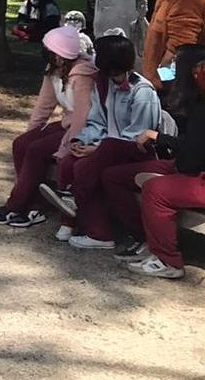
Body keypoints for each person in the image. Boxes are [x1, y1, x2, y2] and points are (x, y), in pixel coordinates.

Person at [122, 55, 205, 278]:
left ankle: (167, 261)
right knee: (124, 175)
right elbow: (196, 148)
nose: (193, 79)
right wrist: (161, 138)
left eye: (199, 76)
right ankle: (146, 241)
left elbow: (189, 163)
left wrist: (168, 162)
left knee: (156, 191)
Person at [47, 33, 162, 250]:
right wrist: (83, 141)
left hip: (135, 152)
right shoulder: (107, 86)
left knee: (92, 161)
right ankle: (98, 231)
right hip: (105, 149)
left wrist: (96, 149)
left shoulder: (142, 91)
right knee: (70, 161)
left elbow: (138, 136)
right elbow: (97, 120)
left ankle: (73, 197)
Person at [0, 25, 98, 228]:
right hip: (65, 122)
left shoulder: (82, 75)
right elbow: (44, 105)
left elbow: (83, 114)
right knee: (21, 144)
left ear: (61, 54)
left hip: (86, 128)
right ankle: (33, 205)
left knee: (37, 150)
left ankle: (15, 205)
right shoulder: (53, 70)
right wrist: (32, 133)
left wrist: (70, 144)